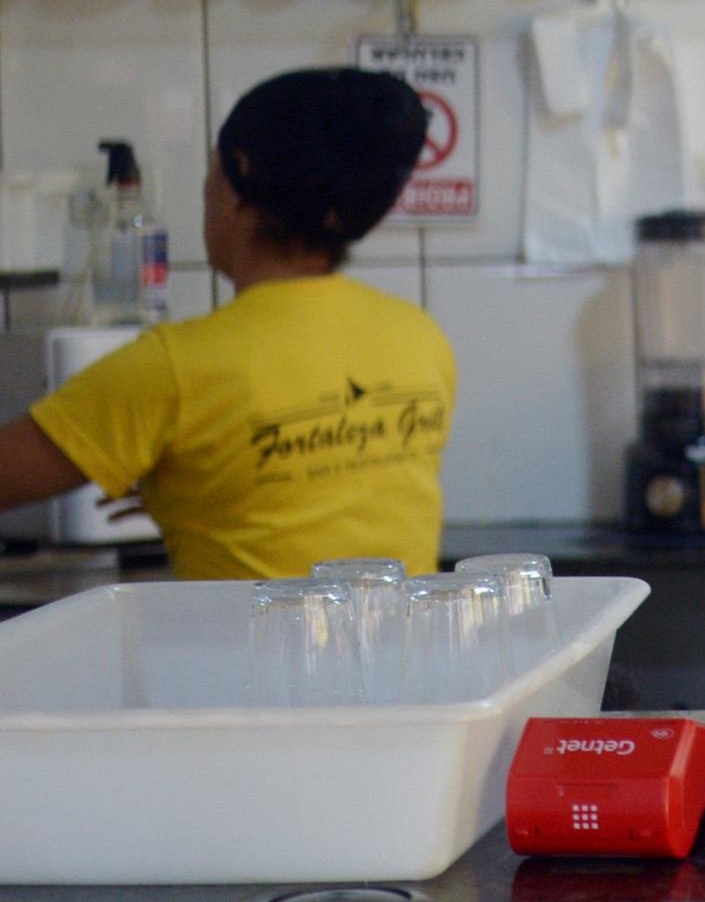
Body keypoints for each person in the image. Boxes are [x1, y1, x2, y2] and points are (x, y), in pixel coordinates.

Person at [0, 67, 454, 578]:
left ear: (240, 177)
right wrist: (199, 487)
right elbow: (332, 505)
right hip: (413, 655)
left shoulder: (175, 368)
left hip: (247, 657)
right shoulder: (417, 337)